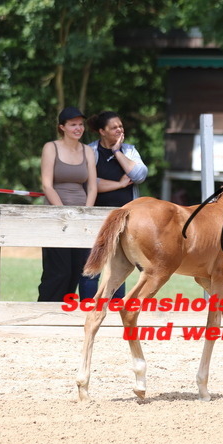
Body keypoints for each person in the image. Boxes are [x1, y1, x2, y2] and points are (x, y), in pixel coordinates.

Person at [78, 110, 149, 300]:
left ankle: (115, 309)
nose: (119, 130)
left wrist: (117, 152)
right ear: (102, 131)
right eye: (114, 127)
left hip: (125, 220)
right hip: (97, 218)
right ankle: (87, 308)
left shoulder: (129, 150)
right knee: (92, 268)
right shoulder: (90, 151)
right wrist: (118, 184)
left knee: (119, 268)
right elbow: (88, 182)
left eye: (120, 126)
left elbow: (139, 175)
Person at [38, 106, 97, 302]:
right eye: (73, 125)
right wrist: (64, 214)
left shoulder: (87, 151)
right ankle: (46, 309)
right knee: (58, 269)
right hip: (56, 216)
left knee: (77, 268)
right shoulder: (51, 147)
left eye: (80, 124)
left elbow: (92, 187)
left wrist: (84, 214)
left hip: (81, 217)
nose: (78, 128)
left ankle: (67, 313)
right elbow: (47, 185)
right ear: (62, 127)